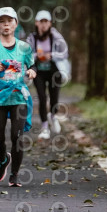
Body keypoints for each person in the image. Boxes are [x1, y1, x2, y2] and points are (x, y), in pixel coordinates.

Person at [0, 7, 36, 187]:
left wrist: (33, 71)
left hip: (18, 97)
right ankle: (3, 159)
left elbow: (34, 65)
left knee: (17, 137)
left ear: (15, 24)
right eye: (2, 21)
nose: (6, 25)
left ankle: (15, 175)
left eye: (9, 21)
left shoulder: (24, 47)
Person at [26, 10, 70, 140]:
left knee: (54, 97)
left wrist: (51, 55)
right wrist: (37, 56)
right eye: (41, 22)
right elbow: (26, 54)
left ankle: (53, 116)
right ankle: (44, 127)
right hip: (38, 72)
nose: (44, 25)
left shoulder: (55, 36)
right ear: (37, 23)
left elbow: (65, 53)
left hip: (53, 71)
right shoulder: (32, 38)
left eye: (46, 22)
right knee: (42, 97)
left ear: (50, 23)